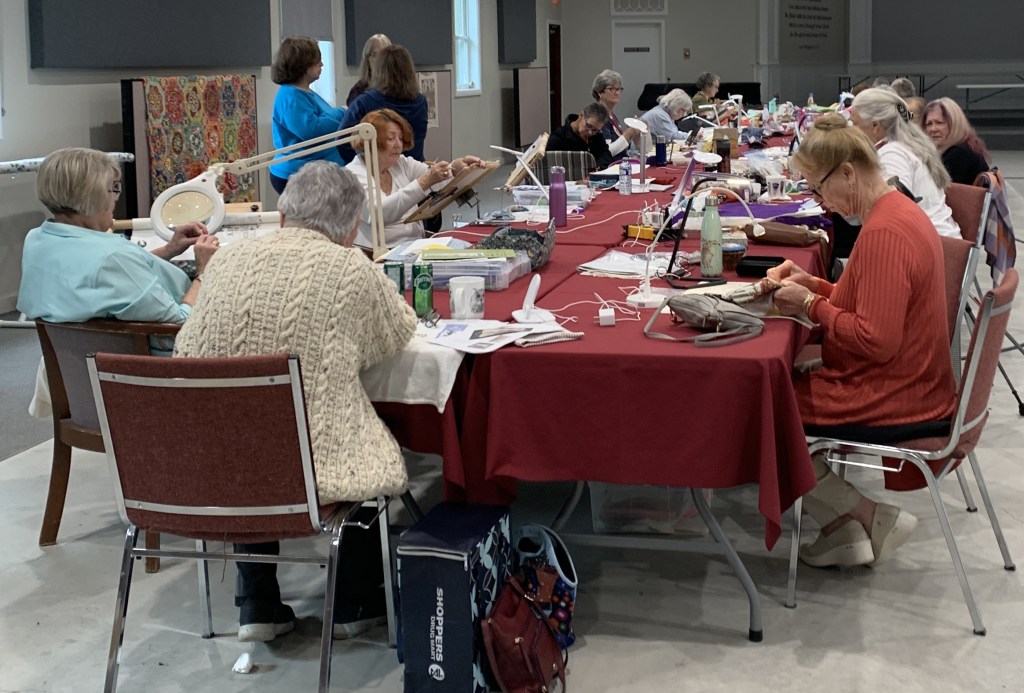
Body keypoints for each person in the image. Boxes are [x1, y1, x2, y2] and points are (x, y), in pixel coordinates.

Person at [174, 161, 418, 642]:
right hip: (310, 471)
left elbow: (186, 348)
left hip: (215, 468)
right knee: (360, 440)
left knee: (250, 433)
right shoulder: (351, 267)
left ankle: (257, 605)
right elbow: (395, 335)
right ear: (351, 229)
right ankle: (354, 602)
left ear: (283, 217)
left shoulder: (225, 260)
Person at [770, 113, 957, 568]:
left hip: (898, 394)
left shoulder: (884, 232)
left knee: (760, 409)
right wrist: (814, 286)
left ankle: (865, 515)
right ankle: (844, 531)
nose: (821, 202)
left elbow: (874, 339)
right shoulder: (894, 210)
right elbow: (870, 303)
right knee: (771, 391)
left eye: (818, 188)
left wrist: (810, 306)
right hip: (912, 381)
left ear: (849, 173)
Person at [17, 147, 218, 325]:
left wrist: (169, 250)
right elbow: (181, 321)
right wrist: (204, 272)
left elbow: (102, 277)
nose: (115, 197)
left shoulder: (36, 240)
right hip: (160, 356)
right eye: (113, 188)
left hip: (78, 358)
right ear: (91, 195)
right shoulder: (113, 259)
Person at [346, 108, 484, 249]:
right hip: (380, 252)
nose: (398, 144)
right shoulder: (353, 174)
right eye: (390, 138)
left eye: (400, 138)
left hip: (415, 245)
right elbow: (378, 214)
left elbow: (438, 180)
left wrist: (457, 168)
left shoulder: (401, 163)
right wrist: (424, 182)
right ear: (372, 141)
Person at [850, 88, 960, 237]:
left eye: (854, 124)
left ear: (875, 125)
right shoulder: (909, 143)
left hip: (932, 244)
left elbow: (891, 210)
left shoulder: (892, 154)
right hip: (937, 237)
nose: (850, 131)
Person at [267, 36, 347, 194]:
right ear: (303, 66)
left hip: (315, 170)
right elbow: (312, 131)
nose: (322, 64)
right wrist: (342, 112)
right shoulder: (291, 97)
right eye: (317, 61)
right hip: (299, 173)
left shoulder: (303, 92)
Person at [339, 44, 428, 164]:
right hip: (413, 170)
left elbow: (342, 141)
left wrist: (363, 164)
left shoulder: (364, 102)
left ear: (379, 70)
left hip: (377, 172)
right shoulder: (420, 102)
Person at [922, 97, 992, 185]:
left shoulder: (959, 153)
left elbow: (938, 192)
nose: (933, 129)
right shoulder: (967, 145)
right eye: (929, 124)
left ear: (955, 123)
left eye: (939, 123)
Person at [546, 102, 614, 170]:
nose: (590, 132)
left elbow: (605, 154)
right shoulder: (559, 136)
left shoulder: (596, 136)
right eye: (588, 126)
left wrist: (599, 169)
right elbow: (550, 164)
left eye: (595, 130)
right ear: (581, 115)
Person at [592, 69, 639, 161]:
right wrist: (627, 134)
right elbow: (607, 151)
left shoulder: (612, 116)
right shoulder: (598, 117)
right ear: (599, 92)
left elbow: (619, 146)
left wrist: (633, 134)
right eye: (612, 89)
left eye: (619, 89)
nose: (617, 92)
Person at [347, 33, 391, 106]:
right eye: (374, 55)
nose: (379, 60)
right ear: (367, 59)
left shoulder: (400, 89)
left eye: (383, 55)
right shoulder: (358, 91)